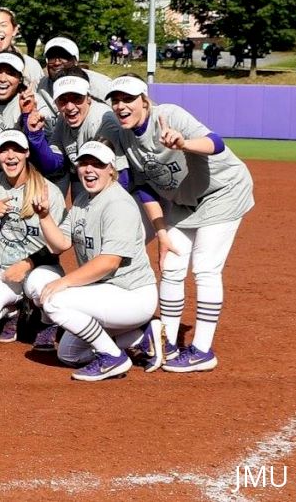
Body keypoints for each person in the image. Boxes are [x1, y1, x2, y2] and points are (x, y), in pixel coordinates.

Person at [106, 74, 254, 372]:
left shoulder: (169, 114)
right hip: (181, 202)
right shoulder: (123, 136)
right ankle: (169, 343)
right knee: (172, 266)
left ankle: (202, 350)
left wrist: (184, 143)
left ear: (144, 101)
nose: (121, 106)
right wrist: (161, 231)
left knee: (205, 267)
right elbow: (144, 186)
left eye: (128, 99)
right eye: (116, 100)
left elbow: (216, 142)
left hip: (222, 191)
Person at [25, 140, 164, 381]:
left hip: (132, 294)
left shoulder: (118, 204)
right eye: (84, 163)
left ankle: (113, 357)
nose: (89, 169)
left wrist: (63, 282)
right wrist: (45, 217)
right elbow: (61, 243)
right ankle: (140, 338)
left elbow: (109, 261)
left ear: (112, 169)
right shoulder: (82, 200)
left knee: (55, 301)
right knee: (68, 354)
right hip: (106, 291)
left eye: (97, 164)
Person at [0, 130, 65, 344]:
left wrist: (27, 263)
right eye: (4, 150)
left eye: (17, 149)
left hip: (39, 267)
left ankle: (48, 322)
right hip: (2, 268)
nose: (10, 156)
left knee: (43, 289)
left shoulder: (50, 191)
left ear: (27, 152)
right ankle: (13, 311)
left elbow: (58, 246)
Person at [23, 69, 126, 200]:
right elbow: (53, 164)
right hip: (86, 181)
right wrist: (36, 135)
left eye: (77, 98)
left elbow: (121, 176)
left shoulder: (103, 121)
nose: (70, 106)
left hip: (120, 190)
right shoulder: (63, 118)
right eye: (63, 100)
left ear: (88, 97)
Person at [35, 36, 113, 121]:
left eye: (64, 56)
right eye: (52, 57)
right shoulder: (41, 86)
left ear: (76, 61)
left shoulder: (102, 85)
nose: (57, 62)